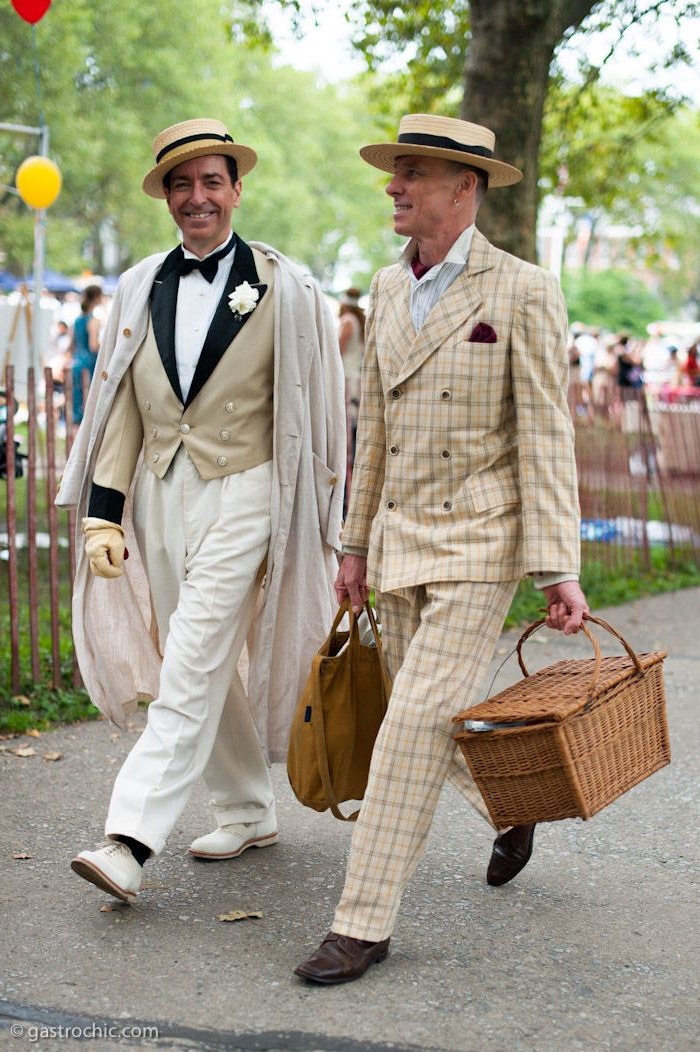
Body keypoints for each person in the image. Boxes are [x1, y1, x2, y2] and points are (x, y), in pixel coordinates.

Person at [294, 113, 589, 985]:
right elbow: (373, 430)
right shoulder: (387, 289)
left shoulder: (524, 290)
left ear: (466, 187)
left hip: (478, 544)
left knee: (412, 725)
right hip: (397, 547)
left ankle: (362, 923)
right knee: (435, 722)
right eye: (394, 171)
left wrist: (556, 565)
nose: (394, 185)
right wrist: (353, 545)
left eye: (411, 172)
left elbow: (545, 435)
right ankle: (511, 809)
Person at [56, 118, 346, 903]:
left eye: (211, 182)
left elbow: (315, 407)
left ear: (237, 189)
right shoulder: (139, 282)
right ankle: (249, 810)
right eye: (181, 185)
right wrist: (103, 512)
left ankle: (128, 838)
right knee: (202, 654)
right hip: (159, 489)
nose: (197, 197)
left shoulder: (286, 285)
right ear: (166, 197)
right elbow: (120, 400)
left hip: (250, 487)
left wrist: (332, 513)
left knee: (187, 659)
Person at [337, 287, 366, 510]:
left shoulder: (347, 321)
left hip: (346, 382)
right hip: (356, 382)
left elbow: (336, 352)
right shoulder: (362, 323)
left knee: (345, 442)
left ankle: (347, 499)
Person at [70, 284, 103, 425]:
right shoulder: (93, 320)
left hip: (77, 362)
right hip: (89, 363)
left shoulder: (77, 320)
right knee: (88, 402)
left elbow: (72, 344)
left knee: (77, 401)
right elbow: (94, 346)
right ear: (96, 297)